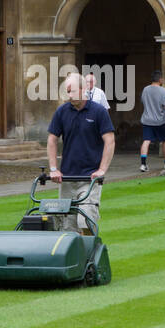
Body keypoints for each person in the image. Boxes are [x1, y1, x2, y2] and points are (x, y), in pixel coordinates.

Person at [47, 72, 115, 233]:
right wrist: (53, 169)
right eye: (67, 91)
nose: (69, 95)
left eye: (72, 91)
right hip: (67, 178)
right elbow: (51, 139)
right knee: (67, 227)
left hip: (90, 178)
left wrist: (102, 170)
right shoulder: (62, 112)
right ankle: (71, 258)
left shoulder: (99, 112)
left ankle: (88, 255)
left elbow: (110, 141)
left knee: (85, 222)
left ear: (83, 89)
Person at [138, 70, 165, 172]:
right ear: (160, 79)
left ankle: (143, 164)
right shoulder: (162, 90)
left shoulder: (145, 89)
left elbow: (143, 102)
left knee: (146, 140)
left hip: (147, 120)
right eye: (162, 78)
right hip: (160, 121)